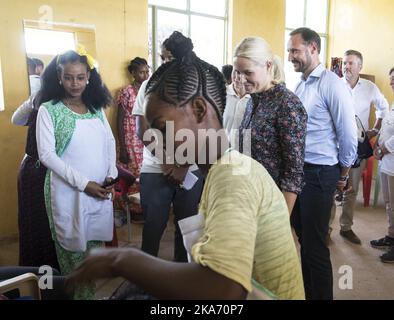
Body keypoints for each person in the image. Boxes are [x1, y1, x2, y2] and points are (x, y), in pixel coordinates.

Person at [66, 32, 305, 300]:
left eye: (162, 126)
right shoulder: (221, 170)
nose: (158, 139)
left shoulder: (232, 178)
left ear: (200, 110)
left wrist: (124, 260)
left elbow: (223, 290)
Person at [35, 48, 117, 299]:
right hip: (67, 194)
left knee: (92, 254)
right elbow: (47, 156)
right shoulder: (49, 110)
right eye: (69, 77)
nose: (75, 83)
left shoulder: (95, 108)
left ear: (89, 77)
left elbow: (109, 142)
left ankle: (87, 294)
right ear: (59, 77)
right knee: (72, 254)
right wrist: (84, 184)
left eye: (80, 77)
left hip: (98, 192)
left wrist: (111, 174)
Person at [287, 27, 358, 300]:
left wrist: (343, 172)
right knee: (304, 241)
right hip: (298, 172)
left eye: (295, 50)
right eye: (290, 50)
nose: (291, 55)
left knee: (315, 247)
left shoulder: (332, 83)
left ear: (313, 48)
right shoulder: (301, 84)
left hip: (320, 173)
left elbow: (348, 133)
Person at [132, 33, 204, 263]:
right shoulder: (149, 85)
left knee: (188, 229)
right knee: (153, 228)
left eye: (171, 58)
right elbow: (142, 129)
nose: (165, 64)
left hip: (190, 169)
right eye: (163, 58)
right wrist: (165, 161)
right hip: (156, 168)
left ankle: (182, 280)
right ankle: (147, 283)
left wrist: (182, 166)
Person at [235, 37, 308, 213]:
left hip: (271, 202)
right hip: (248, 197)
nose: (241, 79)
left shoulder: (286, 103)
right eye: (237, 72)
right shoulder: (253, 100)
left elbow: (293, 171)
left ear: (268, 66)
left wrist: (281, 220)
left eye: (248, 72)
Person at [329, 50, 389, 244]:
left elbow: (383, 107)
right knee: (330, 188)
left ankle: (346, 228)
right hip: (334, 145)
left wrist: (375, 129)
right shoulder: (334, 85)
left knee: (351, 189)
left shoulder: (370, 87)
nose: (346, 66)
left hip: (358, 146)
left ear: (360, 67)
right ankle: (326, 229)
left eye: (351, 63)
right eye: (345, 63)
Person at [11, 78, 59, 271]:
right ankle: (42, 279)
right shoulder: (42, 100)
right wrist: (34, 99)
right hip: (38, 170)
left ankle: (48, 277)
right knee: (39, 225)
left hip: (36, 168)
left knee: (49, 225)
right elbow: (16, 119)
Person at [116, 57, 149, 218]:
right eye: (141, 72)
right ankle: (131, 209)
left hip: (145, 138)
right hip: (130, 138)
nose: (145, 75)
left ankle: (142, 208)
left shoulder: (149, 90)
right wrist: (122, 146)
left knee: (145, 174)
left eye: (147, 71)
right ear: (133, 73)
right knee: (133, 175)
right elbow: (119, 119)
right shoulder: (126, 91)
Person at [370, 67, 394, 263]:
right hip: (387, 163)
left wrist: (383, 148)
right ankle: (391, 236)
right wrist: (378, 142)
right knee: (389, 204)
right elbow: (387, 126)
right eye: (391, 79)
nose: (392, 82)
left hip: (392, 161)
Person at [222, 64, 250, 145]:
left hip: (244, 153)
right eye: (236, 72)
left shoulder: (255, 99)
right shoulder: (221, 93)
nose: (237, 78)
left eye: (243, 73)